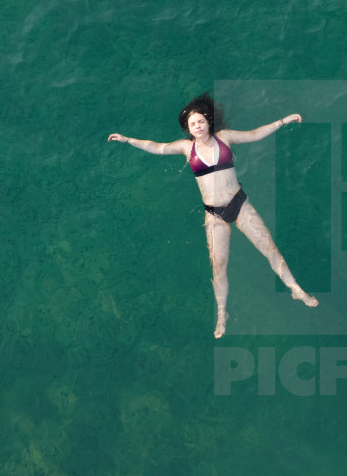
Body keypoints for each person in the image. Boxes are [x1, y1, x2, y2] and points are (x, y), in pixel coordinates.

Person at [108, 93, 319, 338]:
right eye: (192, 124)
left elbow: (254, 134)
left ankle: (295, 289)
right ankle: (222, 313)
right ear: (188, 130)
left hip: (240, 205)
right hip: (215, 214)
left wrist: (282, 121)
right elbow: (156, 147)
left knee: (270, 249)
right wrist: (126, 139)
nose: (197, 126)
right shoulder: (186, 148)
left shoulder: (225, 138)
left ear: (208, 122)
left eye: (200, 121)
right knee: (218, 268)